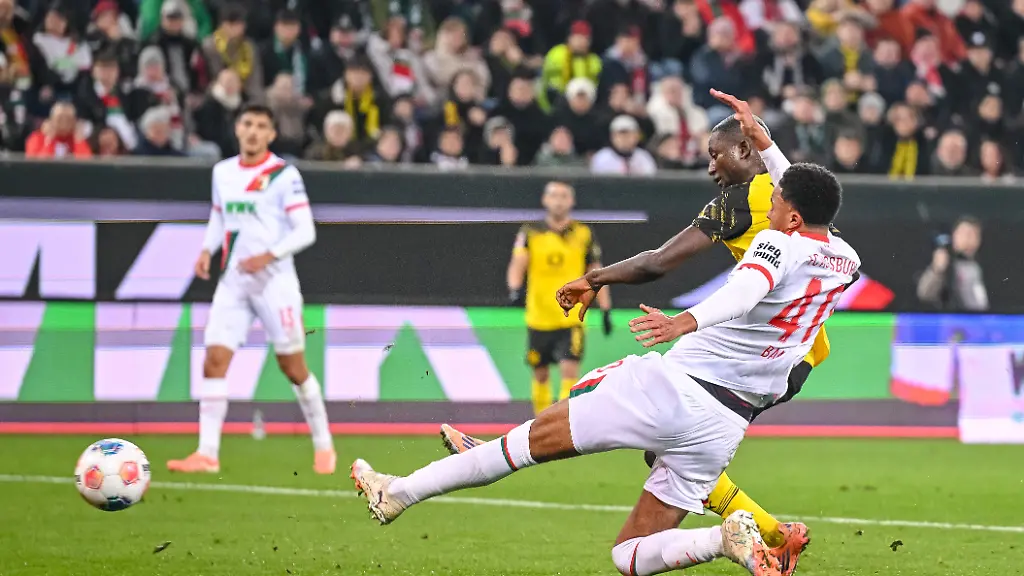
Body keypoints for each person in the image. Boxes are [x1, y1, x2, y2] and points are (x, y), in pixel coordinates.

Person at [352, 119, 858, 576]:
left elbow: (743, 291)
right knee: (629, 555)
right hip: (728, 422)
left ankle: (399, 492)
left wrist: (684, 321)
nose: (769, 202)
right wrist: (768, 146)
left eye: (777, 201)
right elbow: (802, 202)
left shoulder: (775, 242)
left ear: (791, 216)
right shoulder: (843, 258)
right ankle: (722, 539)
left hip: (674, 387)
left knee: (523, 445)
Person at [167, 104, 335, 475]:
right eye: (248, 124)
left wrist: (268, 256)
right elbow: (219, 215)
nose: (254, 131)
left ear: (271, 134)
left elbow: (306, 230)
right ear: (238, 129)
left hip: (275, 282)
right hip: (234, 281)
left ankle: (324, 445)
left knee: (293, 367)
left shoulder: (283, 175)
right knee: (213, 360)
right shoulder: (223, 172)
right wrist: (206, 250)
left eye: (261, 125)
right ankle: (207, 453)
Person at [507, 181, 612, 415]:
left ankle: (564, 422)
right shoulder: (530, 232)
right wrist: (514, 289)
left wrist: (606, 308)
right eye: (554, 196)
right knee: (540, 373)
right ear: (545, 200)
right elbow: (518, 262)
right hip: (539, 316)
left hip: (570, 317)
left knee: (569, 370)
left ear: (571, 201)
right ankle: (540, 422)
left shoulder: (583, 233)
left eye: (564, 196)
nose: (559, 201)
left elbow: (596, 272)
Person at [916, 216, 988, 311]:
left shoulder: (981, 266)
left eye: (973, 234)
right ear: (954, 235)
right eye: (964, 233)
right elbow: (924, 294)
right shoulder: (946, 262)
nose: (968, 238)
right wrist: (937, 270)